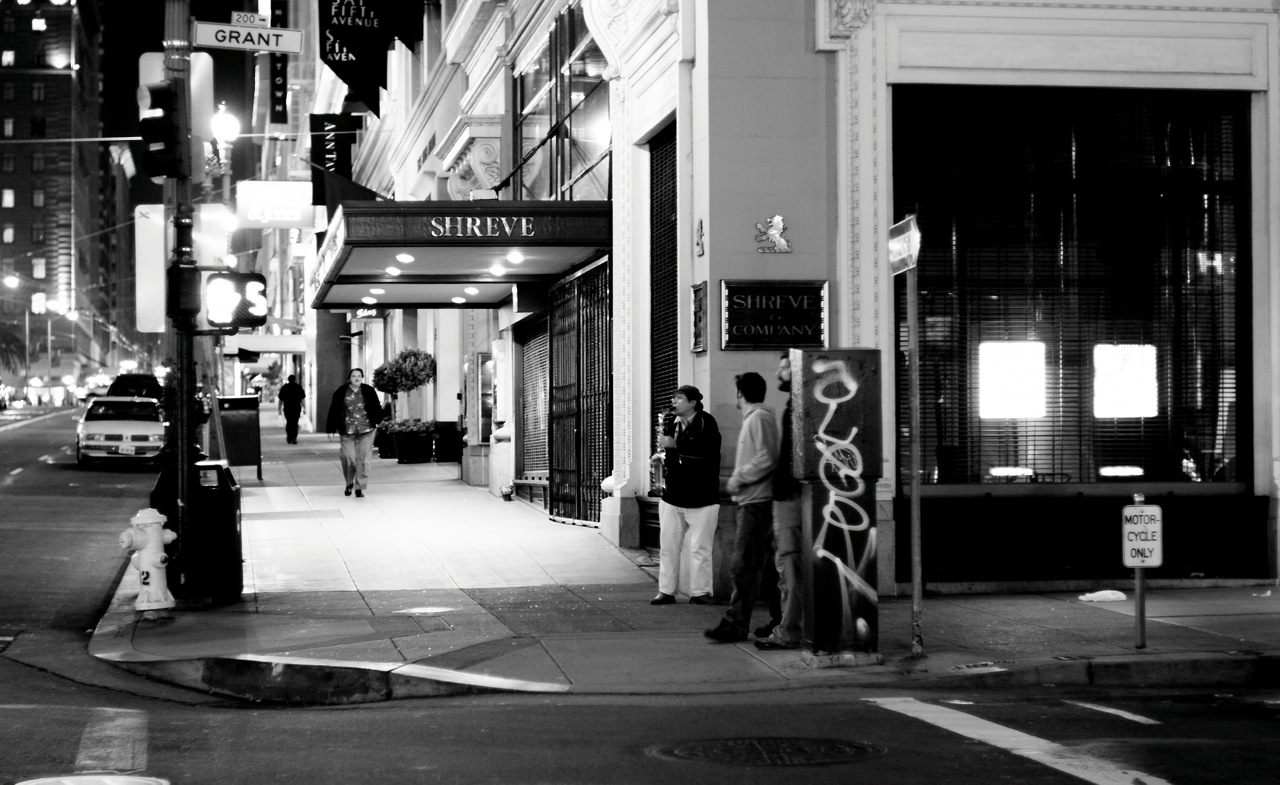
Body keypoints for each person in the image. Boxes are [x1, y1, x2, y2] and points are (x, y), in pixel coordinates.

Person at [705, 371, 780, 643]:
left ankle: (736, 624)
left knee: (742, 566)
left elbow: (767, 457)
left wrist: (738, 478)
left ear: (740, 393)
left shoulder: (759, 418)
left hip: (756, 503)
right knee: (767, 567)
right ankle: (780, 620)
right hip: (754, 502)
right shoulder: (756, 418)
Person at [650, 384, 722, 606]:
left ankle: (700, 593)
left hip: (702, 496)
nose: (674, 402)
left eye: (679, 398)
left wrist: (672, 449)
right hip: (673, 495)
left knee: (700, 548)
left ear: (693, 402)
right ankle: (666, 590)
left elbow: (702, 459)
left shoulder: (705, 423)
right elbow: (675, 461)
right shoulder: (671, 424)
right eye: (673, 398)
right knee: (669, 545)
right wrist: (663, 456)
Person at [756, 353, 804, 650]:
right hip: (791, 495)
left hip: (789, 498)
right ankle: (789, 626)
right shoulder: (795, 405)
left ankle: (789, 630)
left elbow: (789, 456)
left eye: (785, 367)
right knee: (788, 566)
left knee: (788, 566)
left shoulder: (797, 406)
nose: (779, 372)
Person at [325, 368, 385, 498]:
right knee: (348, 457)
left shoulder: (368, 390)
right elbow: (334, 410)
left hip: (367, 429)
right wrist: (330, 429)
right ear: (349, 378)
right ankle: (348, 483)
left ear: (362, 378)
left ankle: (359, 487)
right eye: (354, 376)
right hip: (347, 430)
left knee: (363, 460)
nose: (357, 378)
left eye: (359, 376)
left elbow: (377, 406)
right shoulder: (341, 392)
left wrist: (378, 420)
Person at [277, 374, 306, 445]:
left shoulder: (284, 387)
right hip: (296, 408)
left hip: (287, 407)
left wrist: (279, 409)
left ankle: (289, 437)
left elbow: (281, 400)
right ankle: (294, 438)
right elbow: (302, 399)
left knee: (289, 422)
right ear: (294, 379)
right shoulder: (298, 387)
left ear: (288, 379)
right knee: (295, 423)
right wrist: (304, 407)